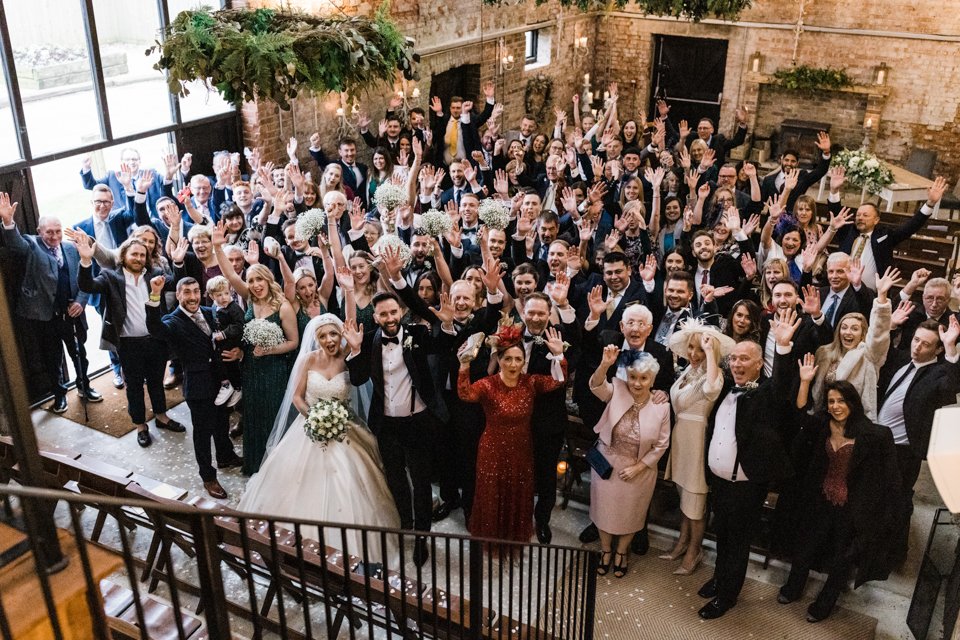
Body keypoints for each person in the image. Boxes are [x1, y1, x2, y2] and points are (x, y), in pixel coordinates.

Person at [238, 314, 400, 563]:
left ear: (339, 335)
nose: (329, 339)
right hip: (310, 426)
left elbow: (351, 326)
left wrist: (347, 290)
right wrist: (314, 417)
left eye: (333, 334)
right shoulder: (308, 360)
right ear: (315, 339)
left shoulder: (347, 357)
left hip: (344, 429)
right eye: (322, 336)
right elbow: (297, 397)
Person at [697, 309, 800, 620]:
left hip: (745, 485)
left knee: (738, 543)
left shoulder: (766, 392)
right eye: (734, 359)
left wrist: (782, 347)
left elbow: (782, 389)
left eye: (745, 359)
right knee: (722, 535)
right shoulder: (729, 386)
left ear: (759, 365)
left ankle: (727, 597)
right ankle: (719, 579)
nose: (737, 364)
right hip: (720, 481)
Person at [779, 376, 900, 623]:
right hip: (820, 500)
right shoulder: (821, 425)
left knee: (841, 560)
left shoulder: (875, 435)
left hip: (851, 508)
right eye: (831, 401)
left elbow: (887, 479)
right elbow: (800, 418)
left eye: (841, 401)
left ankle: (824, 603)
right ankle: (793, 588)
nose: (836, 406)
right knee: (805, 548)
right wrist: (803, 383)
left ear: (852, 403)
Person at [344, 292, 452, 566]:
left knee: (420, 482)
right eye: (384, 314)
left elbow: (443, 347)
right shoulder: (368, 339)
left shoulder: (417, 334)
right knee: (395, 479)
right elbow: (357, 380)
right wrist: (355, 350)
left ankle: (421, 537)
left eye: (394, 312)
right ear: (376, 315)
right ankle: (405, 521)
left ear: (401, 311)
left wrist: (448, 325)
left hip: (418, 423)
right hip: (386, 425)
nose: (390, 318)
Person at [456, 322, 568, 543]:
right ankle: (491, 534)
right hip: (492, 449)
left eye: (518, 359)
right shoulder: (488, 385)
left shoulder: (531, 382)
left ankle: (513, 532)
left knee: (517, 491)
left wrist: (559, 355)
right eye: (507, 359)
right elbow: (465, 394)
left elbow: (558, 381)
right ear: (498, 360)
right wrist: (463, 366)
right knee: (491, 493)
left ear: (524, 362)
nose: (513, 364)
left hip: (521, 449)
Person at [75, 233, 184, 446]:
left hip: (155, 340)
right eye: (134, 254)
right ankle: (140, 425)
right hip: (128, 343)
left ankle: (161, 416)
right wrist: (86, 260)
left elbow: (177, 284)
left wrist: (178, 262)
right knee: (133, 386)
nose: (139, 258)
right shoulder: (110, 278)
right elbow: (87, 286)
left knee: (156, 382)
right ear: (124, 255)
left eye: (142, 255)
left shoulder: (156, 274)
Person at [212, 223, 299, 475]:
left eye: (259, 279)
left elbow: (293, 342)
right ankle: (257, 464)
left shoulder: (282, 306)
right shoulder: (249, 299)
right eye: (250, 280)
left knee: (272, 414)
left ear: (268, 280)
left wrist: (269, 350)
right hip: (250, 367)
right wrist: (218, 246)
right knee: (254, 415)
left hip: (273, 369)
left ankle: (279, 469)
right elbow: (229, 276)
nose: (255, 284)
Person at [0, 195, 100, 412]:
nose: (54, 236)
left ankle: (85, 387)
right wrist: (8, 222)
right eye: (49, 232)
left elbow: (86, 276)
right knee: (51, 359)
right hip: (45, 317)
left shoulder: (72, 249)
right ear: (39, 231)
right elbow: (15, 244)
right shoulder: (32, 245)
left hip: (72, 315)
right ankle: (59, 394)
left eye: (58, 231)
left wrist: (82, 302)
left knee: (79, 353)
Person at [146, 277, 242, 498]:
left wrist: (237, 352)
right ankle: (208, 477)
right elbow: (155, 328)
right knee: (202, 433)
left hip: (220, 381)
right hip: (198, 386)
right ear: (178, 295)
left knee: (221, 422)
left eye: (196, 291)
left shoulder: (210, 311)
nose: (192, 297)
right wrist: (154, 295)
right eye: (187, 292)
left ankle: (226, 457)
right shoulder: (173, 320)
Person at [875, 316, 960, 565]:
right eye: (915, 340)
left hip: (903, 451)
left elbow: (952, 386)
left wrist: (952, 348)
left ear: (938, 349)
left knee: (896, 504)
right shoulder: (903, 360)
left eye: (925, 344)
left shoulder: (938, 373)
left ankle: (892, 556)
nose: (917, 347)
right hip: (879, 442)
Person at [588, 346, 671, 578]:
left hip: (639, 470)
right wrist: (605, 364)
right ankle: (605, 551)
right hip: (607, 464)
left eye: (643, 378)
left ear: (652, 379)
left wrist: (639, 467)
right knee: (604, 511)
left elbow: (662, 445)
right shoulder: (617, 390)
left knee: (631, 514)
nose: (636, 383)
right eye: (633, 377)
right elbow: (595, 386)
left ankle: (621, 553)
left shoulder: (661, 406)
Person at [662, 321, 733, 575]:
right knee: (684, 500)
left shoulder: (714, 374)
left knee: (696, 505)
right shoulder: (687, 371)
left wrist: (710, 352)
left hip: (697, 441)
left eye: (700, 350)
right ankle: (682, 542)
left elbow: (713, 390)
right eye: (691, 348)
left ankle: (694, 550)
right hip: (680, 438)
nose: (693, 353)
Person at [810, 268, 897, 421]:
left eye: (855, 329)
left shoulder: (868, 355)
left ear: (863, 334)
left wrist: (882, 299)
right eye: (844, 327)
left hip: (854, 423)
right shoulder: (824, 353)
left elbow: (878, 334)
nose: (848, 332)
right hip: (822, 419)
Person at [206, 276, 245, 408]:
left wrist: (224, 333)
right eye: (219, 295)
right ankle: (227, 384)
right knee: (219, 361)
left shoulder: (234, 308)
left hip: (232, 340)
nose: (224, 298)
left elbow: (240, 325)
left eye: (226, 293)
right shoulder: (214, 307)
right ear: (212, 296)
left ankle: (237, 387)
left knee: (229, 362)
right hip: (220, 341)